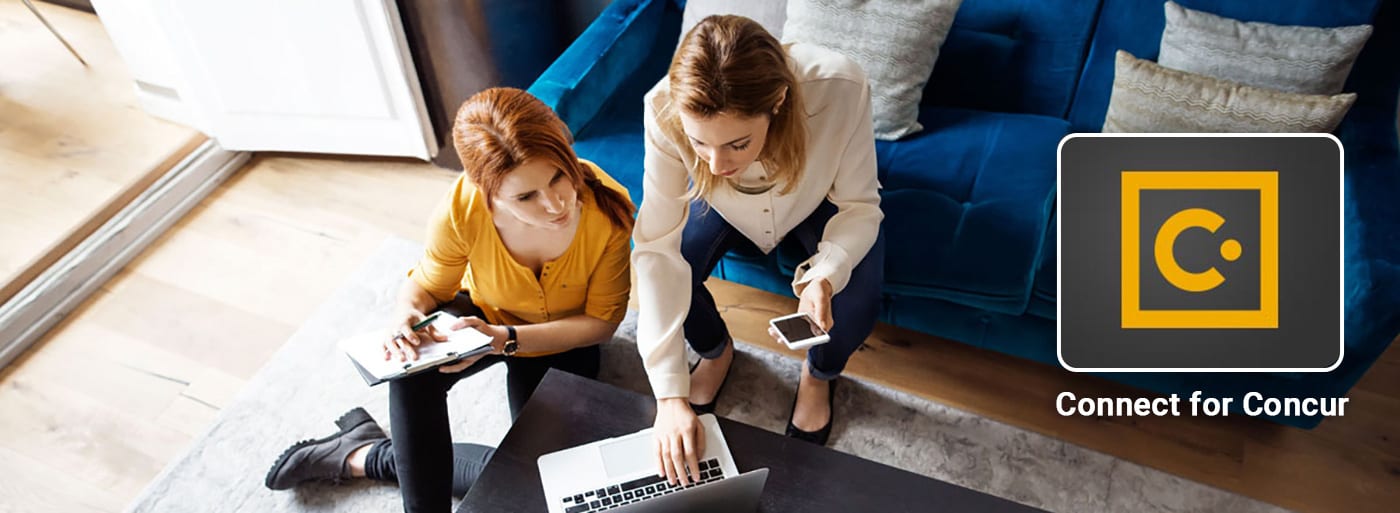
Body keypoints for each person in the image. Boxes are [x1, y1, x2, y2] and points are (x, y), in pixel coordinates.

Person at [263, 87, 635, 512]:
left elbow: (601, 324)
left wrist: (504, 339)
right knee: (412, 371)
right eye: (525, 197)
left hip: (560, 340)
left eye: (558, 177)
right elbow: (427, 287)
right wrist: (406, 315)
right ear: (486, 190)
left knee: (547, 489)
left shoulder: (607, 208)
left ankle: (369, 455)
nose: (554, 204)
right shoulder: (462, 209)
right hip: (483, 311)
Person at [633, 15, 885, 486]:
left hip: (818, 196)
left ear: (778, 101)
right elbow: (656, 249)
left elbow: (860, 205)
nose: (716, 163)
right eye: (698, 142)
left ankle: (819, 376)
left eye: (737, 143)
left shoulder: (841, 87)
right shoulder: (663, 107)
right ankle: (715, 351)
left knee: (860, 294)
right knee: (677, 266)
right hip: (718, 203)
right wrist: (668, 396)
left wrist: (824, 275)